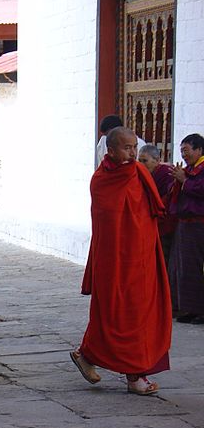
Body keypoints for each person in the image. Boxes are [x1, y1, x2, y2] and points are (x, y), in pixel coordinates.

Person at [71, 126, 172, 395]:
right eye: (126, 148)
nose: (132, 153)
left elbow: (153, 211)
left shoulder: (139, 173)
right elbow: (107, 223)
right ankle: (133, 376)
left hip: (142, 256)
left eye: (134, 147)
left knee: (137, 313)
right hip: (115, 258)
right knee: (116, 313)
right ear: (111, 150)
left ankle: (90, 356)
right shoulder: (101, 180)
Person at [169, 133, 204, 325]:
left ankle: (200, 309)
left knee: (197, 267)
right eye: (181, 151)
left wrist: (185, 181)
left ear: (199, 150)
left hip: (199, 224)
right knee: (184, 268)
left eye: (186, 150)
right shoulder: (190, 169)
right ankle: (189, 308)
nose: (183, 155)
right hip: (185, 223)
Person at [138, 145, 177, 265]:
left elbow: (167, 200)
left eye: (145, 161)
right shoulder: (143, 175)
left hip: (165, 223)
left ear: (157, 160)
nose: (141, 164)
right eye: (139, 161)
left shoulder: (167, 174)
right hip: (149, 223)